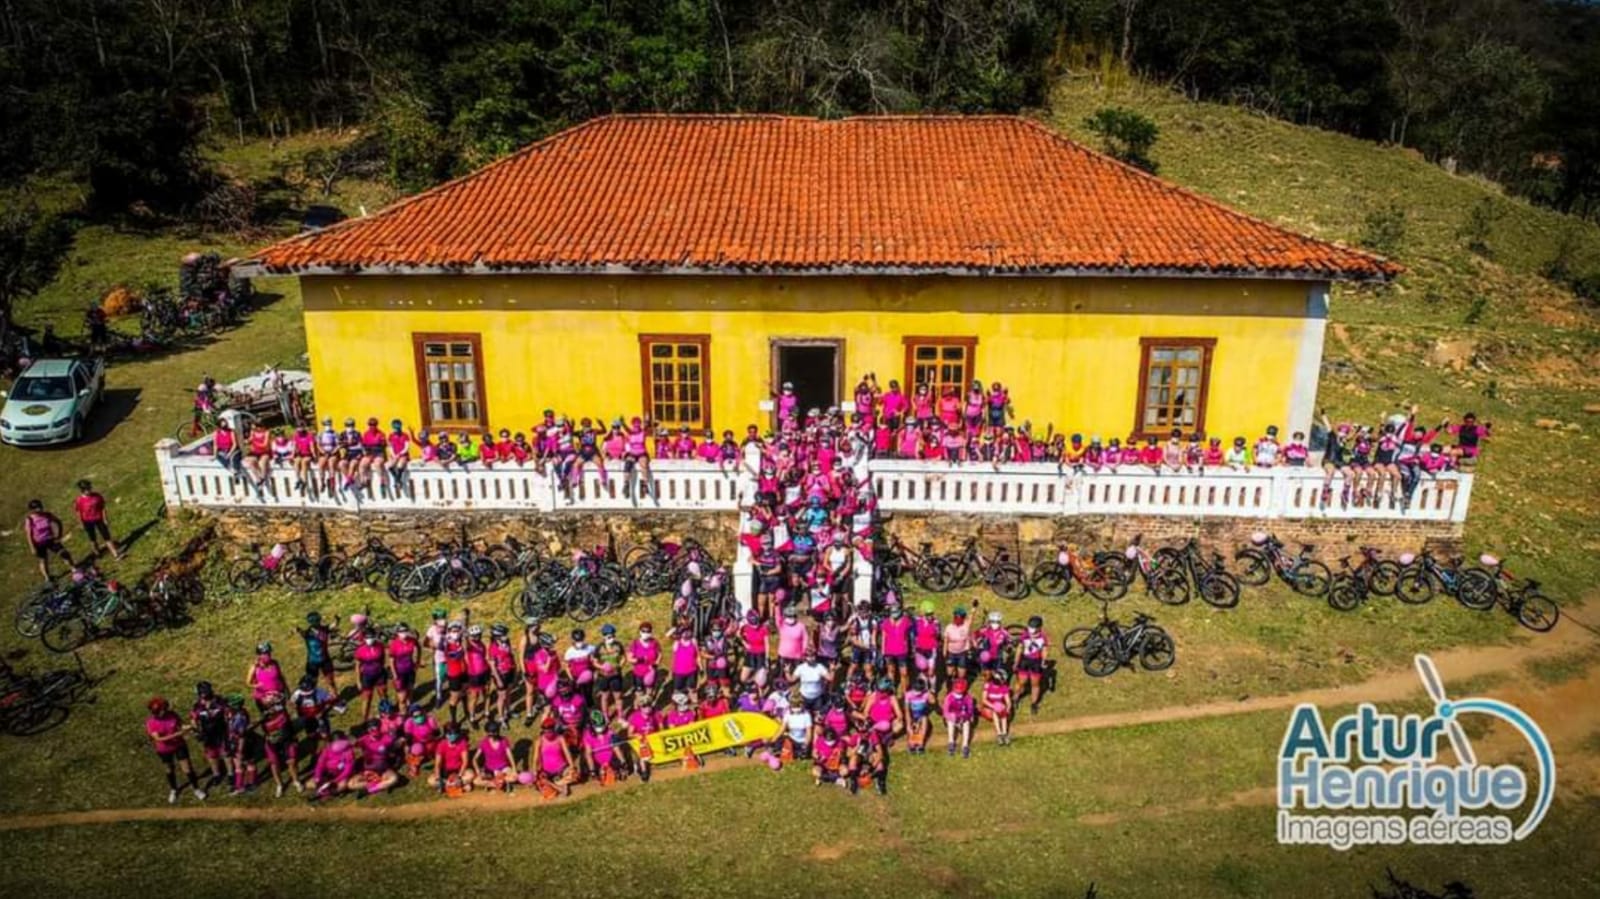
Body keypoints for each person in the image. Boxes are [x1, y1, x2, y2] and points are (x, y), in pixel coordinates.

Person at [146, 696, 206, 803]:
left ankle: (196, 789)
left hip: (179, 746)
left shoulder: (172, 714)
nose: (165, 710)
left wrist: (189, 727)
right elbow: (159, 739)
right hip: (164, 749)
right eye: (163, 709)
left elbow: (180, 725)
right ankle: (173, 789)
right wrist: (178, 734)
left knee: (187, 768)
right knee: (169, 769)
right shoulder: (151, 723)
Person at [295, 611, 345, 712]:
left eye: (318, 621)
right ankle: (313, 702)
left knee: (331, 682)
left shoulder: (324, 629)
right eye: (316, 622)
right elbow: (301, 632)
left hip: (325, 660)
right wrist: (297, 629)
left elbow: (332, 626)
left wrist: (337, 620)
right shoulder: (308, 633)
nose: (318, 623)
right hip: (312, 662)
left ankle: (335, 700)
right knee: (312, 684)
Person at [190, 680, 230, 791]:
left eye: (205, 692)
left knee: (226, 753)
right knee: (212, 755)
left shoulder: (220, 701)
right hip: (207, 734)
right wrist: (196, 731)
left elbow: (228, 714)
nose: (203, 695)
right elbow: (194, 719)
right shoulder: (197, 705)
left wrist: (230, 729)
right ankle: (216, 774)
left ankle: (231, 774)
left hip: (221, 731)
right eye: (201, 692)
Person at [22, 499, 72, 581]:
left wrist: (58, 535)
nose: (39, 509)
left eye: (40, 507)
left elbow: (58, 522)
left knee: (64, 553)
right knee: (43, 560)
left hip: (50, 539)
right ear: (32, 510)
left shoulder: (47, 515)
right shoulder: (30, 519)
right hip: (39, 542)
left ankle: (73, 568)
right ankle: (47, 577)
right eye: (37, 508)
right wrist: (32, 547)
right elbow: (29, 535)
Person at [72, 480, 122, 560]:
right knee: (92, 538)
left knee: (107, 536)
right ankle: (97, 552)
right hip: (87, 521)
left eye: (89, 488)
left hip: (99, 519)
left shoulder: (97, 496)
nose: (89, 490)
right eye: (86, 489)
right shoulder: (79, 500)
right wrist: (80, 523)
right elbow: (78, 512)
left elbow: (102, 507)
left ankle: (115, 554)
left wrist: (105, 518)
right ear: (82, 490)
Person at [1015, 615, 1049, 714]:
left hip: (1036, 662)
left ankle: (1034, 704)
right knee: (1021, 682)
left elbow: (1044, 649)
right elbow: (1019, 648)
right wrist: (1016, 662)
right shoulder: (1024, 635)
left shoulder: (1043, 637)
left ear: (1039, 628)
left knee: (1035, 684)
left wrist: (1043, 660)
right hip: (1025, 660)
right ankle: (1015, 698)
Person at [310, 731, 358, 801]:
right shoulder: (327, 750)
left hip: (342, 775)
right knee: (311, 782)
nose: (338, 744)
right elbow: (320, 765)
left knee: (342, 785)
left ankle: (330, 793)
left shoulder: (349, 752)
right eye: (335, 741)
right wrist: (318, 777)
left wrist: (335, 781)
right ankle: (324, 790)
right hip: (329, 773)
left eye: (339, 741)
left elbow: (348, 770)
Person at [473, 719, 518, 792]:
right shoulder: (484, 742)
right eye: (490, 733)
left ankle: (499, 781)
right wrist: (478, 771)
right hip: (490, 770)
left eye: (494, 733)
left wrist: (514, 769)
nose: (492, 735)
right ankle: (496, 783)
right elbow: (475, 759)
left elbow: (510, 755)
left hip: (503, 768)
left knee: (514, 777)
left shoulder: (504, 740)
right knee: (476, 781)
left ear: (497, 732)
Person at [430, 721, 474, 793]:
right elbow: (438, 764)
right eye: (449, 734)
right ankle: (455, 785)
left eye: (454, 733)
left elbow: (465, 762)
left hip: (459, 770)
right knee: (431, 780)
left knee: (471, 774)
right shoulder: (441, 744)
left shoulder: (462, 743)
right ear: (445, 734)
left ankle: (449, 785)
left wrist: (459, 777)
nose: (452, 736)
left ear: (458, 734)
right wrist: (438, 778)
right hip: (445, 771)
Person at [942, 678, 976, 758]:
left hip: (963, 717)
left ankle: (965, 746)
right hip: (952, 718)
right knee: (950, 723)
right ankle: (951, 742)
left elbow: (970, 711)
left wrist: (964, 717)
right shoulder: (949, 697)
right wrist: (952, 717)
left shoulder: (968, 697)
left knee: (966, 723)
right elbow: (945, 711)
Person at [981, 668, 1015, 746]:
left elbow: (1008, 701)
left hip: (1000, 708)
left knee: (1003, 712)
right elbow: (984, 700)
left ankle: (1004, 733)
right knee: (995, 712)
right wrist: (993, 706)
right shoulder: (988, 685)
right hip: (989, 708)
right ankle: (999, 733)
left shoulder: (1004, 687)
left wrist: (1008, 708)